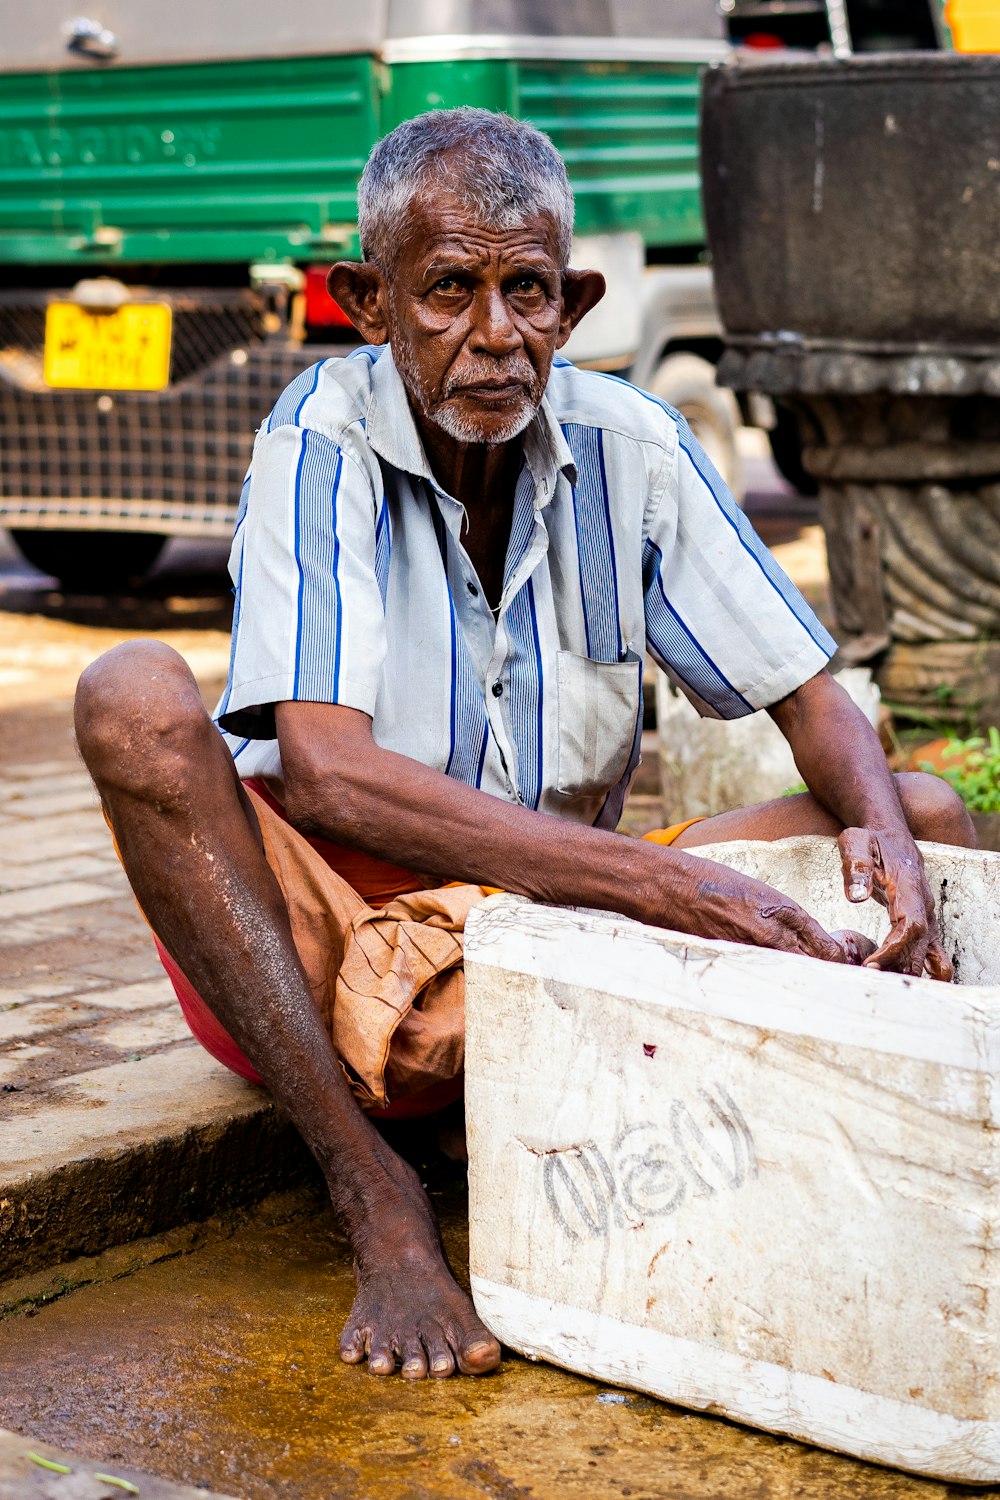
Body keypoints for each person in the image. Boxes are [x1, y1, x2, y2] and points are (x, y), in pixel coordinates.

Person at [75, 108, 975, 1384]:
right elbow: (323, 769)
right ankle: (376, 1188)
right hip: (318, 944)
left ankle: (535, 1116)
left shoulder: (633, 447)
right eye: (448, 290)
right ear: (369, 303)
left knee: (929, 818)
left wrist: (880, 838)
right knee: (129, 691)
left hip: (541, 934)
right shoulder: (317, 441)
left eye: (527, 292)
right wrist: (665, 883)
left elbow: (807, 690)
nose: (494, 336)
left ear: (573, 305)